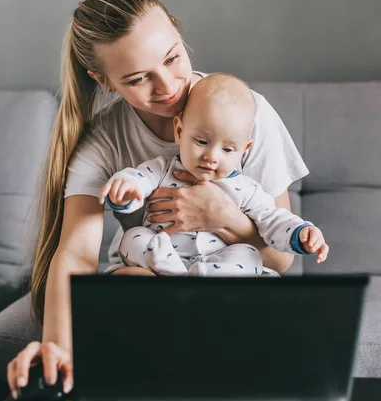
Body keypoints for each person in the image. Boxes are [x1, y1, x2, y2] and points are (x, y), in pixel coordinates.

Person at [6, 0, 309, 399]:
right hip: (150, 278)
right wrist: (56, 348)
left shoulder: (245, 115)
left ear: (178, 31)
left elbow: (280, 258)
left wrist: (221, 218)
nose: (167, 86)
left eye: (172, 58)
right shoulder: (105, 139)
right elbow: (76, 251)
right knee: (125, 285)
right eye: (137, 78)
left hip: (230, 276)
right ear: (105, 81)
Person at [100, 73, 328, 276]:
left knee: (249, 255)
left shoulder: (246, 189)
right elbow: (138, 180)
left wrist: (301, 233)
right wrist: (125, 191)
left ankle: (201, 275)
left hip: (217, 264)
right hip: (162, 253)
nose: (212, 156)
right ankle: (172, 270)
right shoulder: (162, 168)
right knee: (132, 238)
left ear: (244, 149)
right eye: (201, 141)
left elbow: (273, 220)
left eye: (227, 149)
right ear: (179, 131)